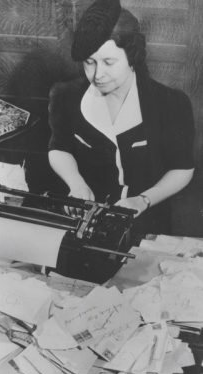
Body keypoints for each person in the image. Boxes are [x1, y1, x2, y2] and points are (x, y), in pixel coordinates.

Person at [48, 0, 195, 236]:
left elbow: (183, 169)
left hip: (147, 223)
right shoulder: (67, 96)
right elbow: (59, 147)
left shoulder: (170, 103)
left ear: (132, 56)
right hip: (86, 221)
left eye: (109, 62)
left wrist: (144, 200)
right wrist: (76, 183)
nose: (97, 75)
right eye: (90, 62)